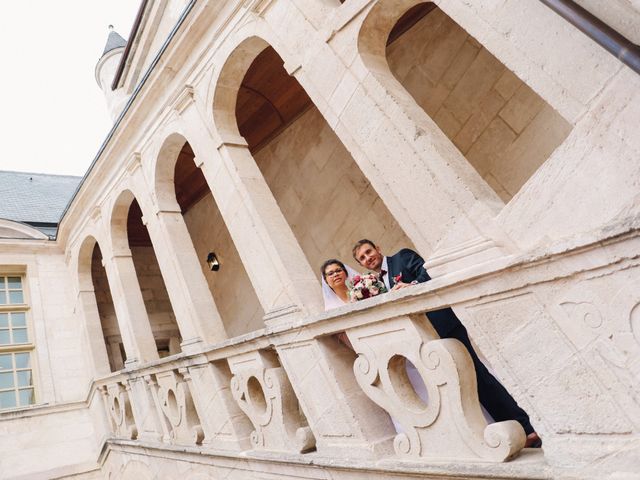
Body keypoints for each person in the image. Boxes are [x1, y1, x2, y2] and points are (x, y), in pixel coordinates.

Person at [351, 239, 542, 448]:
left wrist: (411, 286)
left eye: (369, 252)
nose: (368, 258)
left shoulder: (402, 257)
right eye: (362, 258)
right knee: (461, 383)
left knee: (478, 375)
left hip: (444, 324)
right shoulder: (375, 284)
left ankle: (527, 427)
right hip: (423, 338)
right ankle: (504, 430)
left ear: (378, 248)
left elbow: (428, 275)